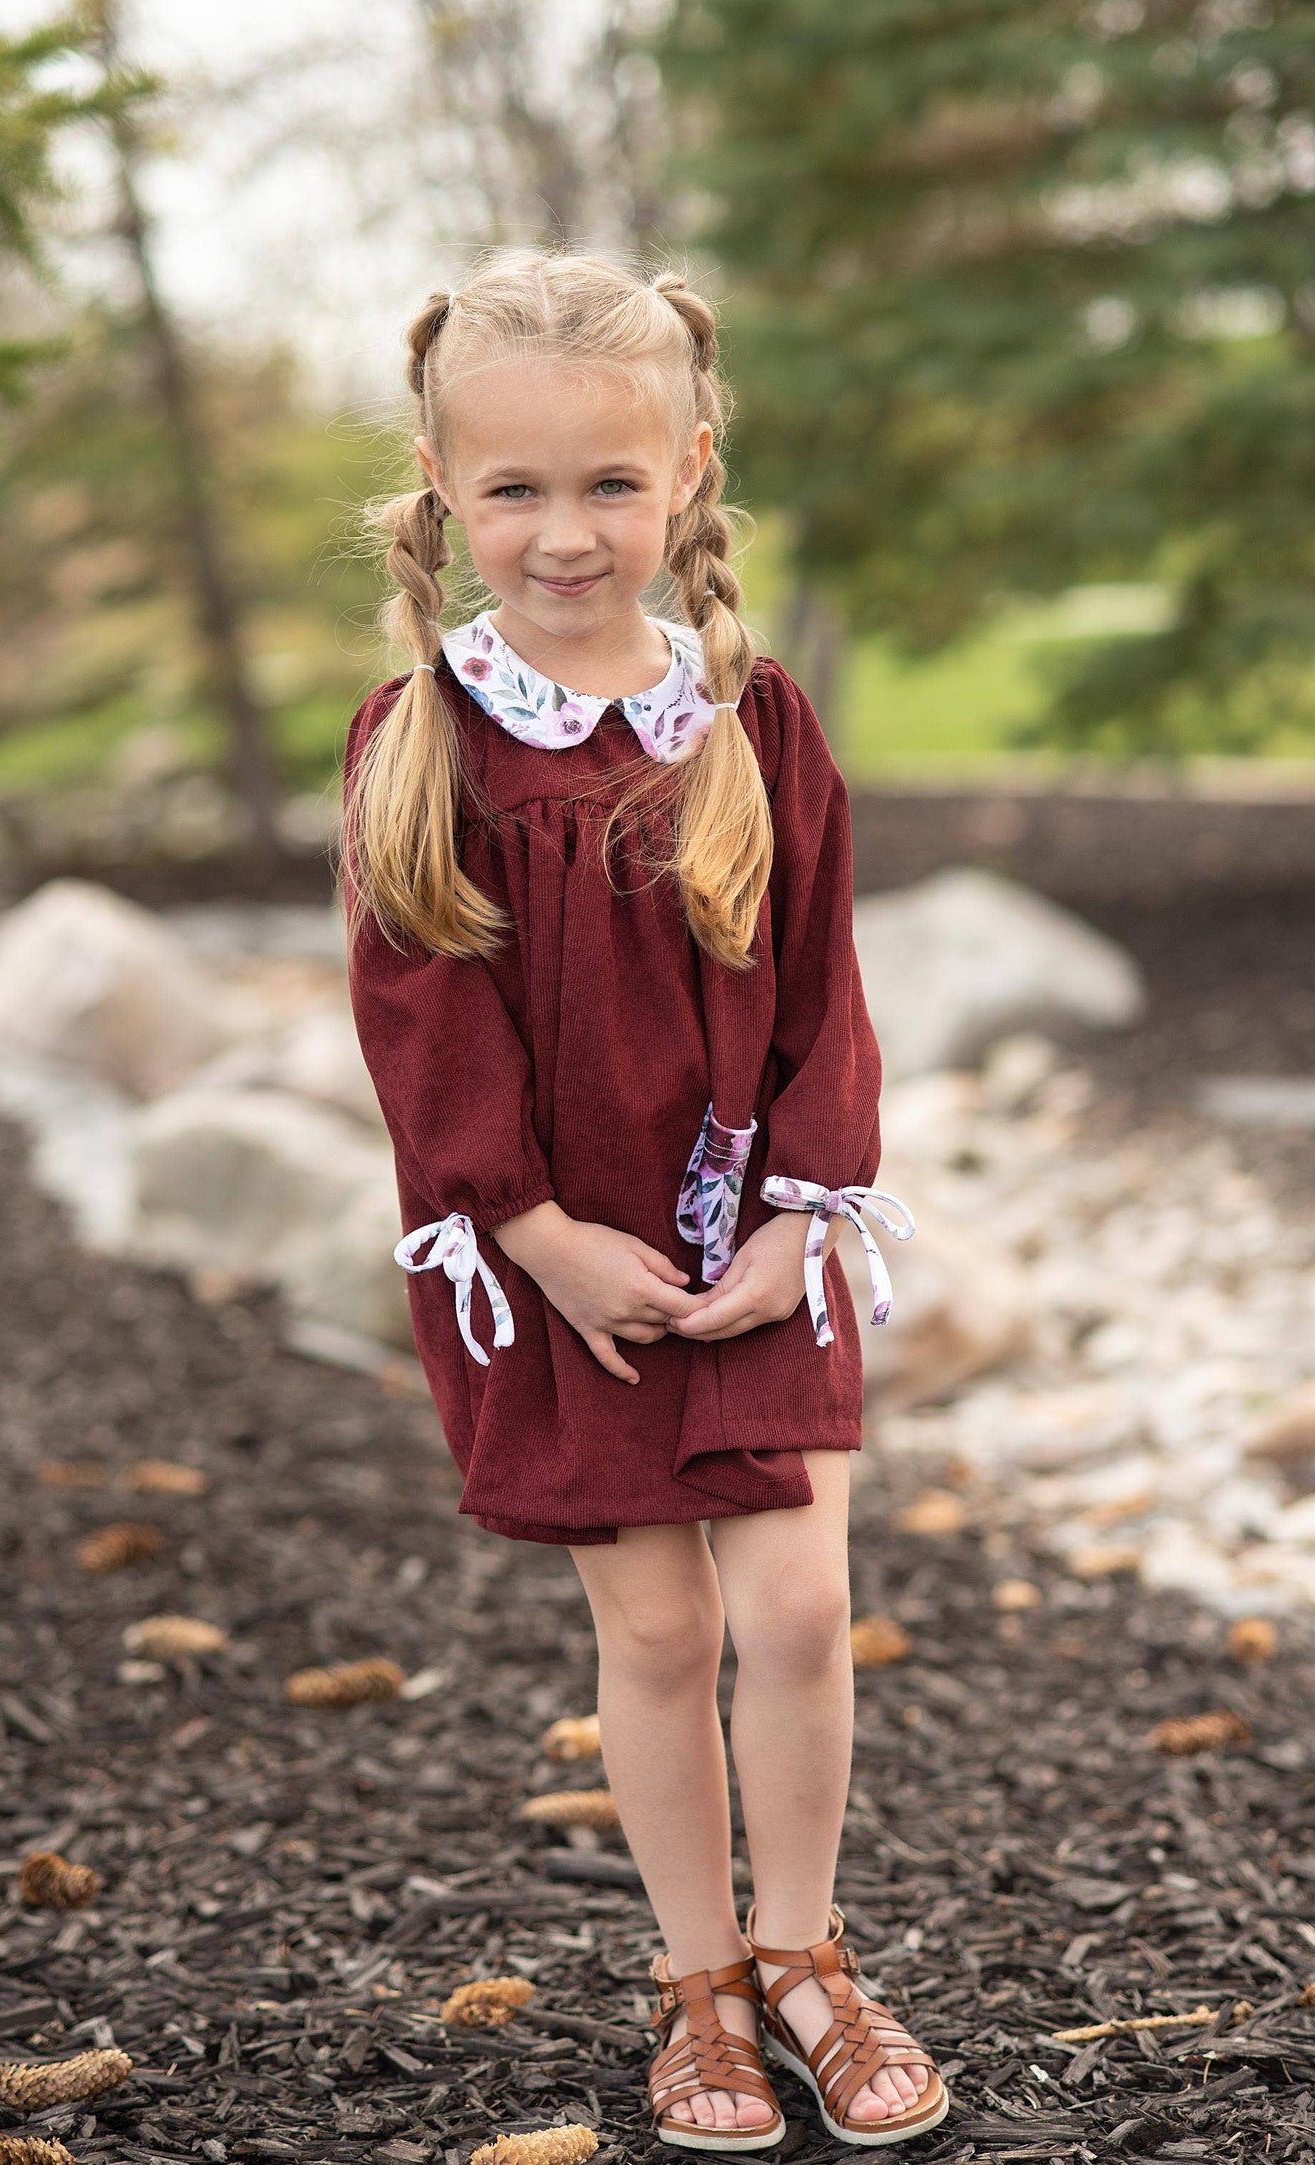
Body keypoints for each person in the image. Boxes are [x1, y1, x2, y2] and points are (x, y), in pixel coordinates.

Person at [340, 247, 949, 2151]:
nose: (563, 530)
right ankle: (693, 1981)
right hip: (564, 1263)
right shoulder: (431, 739)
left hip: (761, 1234)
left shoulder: (752, 724)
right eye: (511, 488)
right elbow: (420, 1021)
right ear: (443, 494)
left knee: (792, 1606)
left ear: (689, 470)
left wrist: (800, 1209)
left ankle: (804, 1955)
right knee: (663, 1637)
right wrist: (527, 1230)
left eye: (609, 481)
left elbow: (824, 986)